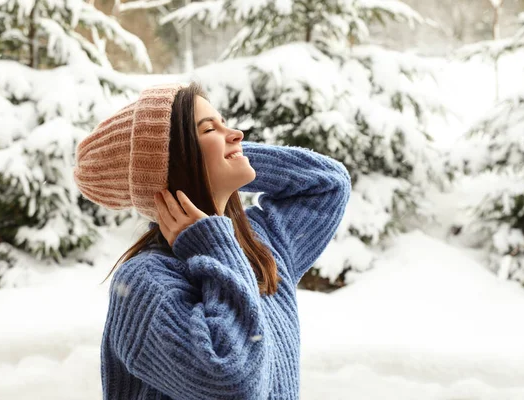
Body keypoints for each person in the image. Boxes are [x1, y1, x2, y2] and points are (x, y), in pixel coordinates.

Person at [73, 82, 351, 400]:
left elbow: (329, 183)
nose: (237, 134)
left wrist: (226, 156)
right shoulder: (144, 283)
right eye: (209, 129)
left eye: (224, 123)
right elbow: (235, 384)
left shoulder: (261, 247)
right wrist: (211, 242)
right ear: (176, 161)